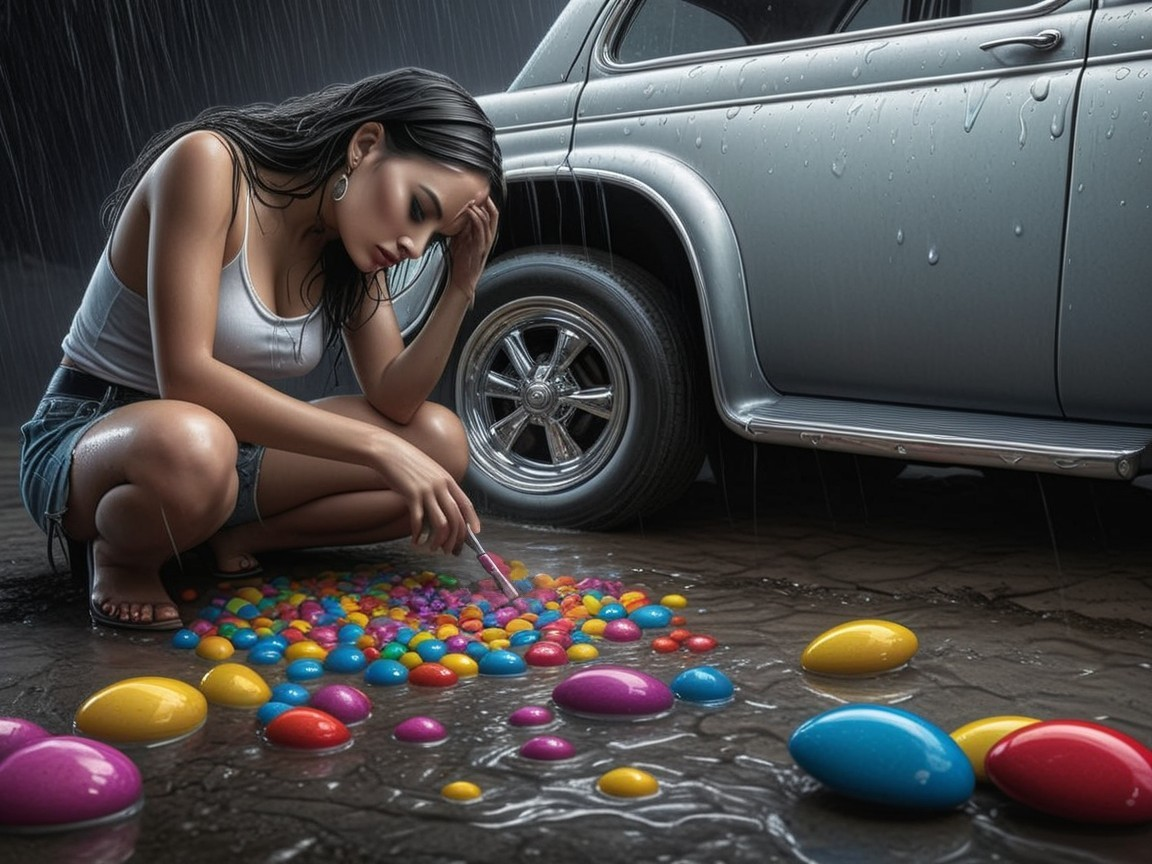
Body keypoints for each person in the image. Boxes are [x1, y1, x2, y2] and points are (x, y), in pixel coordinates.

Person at [18, 67, 504, 630]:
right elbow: (186, 377)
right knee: (197, 442)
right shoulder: (209, 165)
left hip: (226, 448)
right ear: (365, 145)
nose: (413, 246)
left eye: (435, 236)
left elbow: (395, 400)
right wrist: (378, 449)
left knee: (438, 444)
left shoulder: (355, 243)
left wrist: (461, 286)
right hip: (94, 438)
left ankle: (236, 535)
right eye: (418, 209)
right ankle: (124, 557)